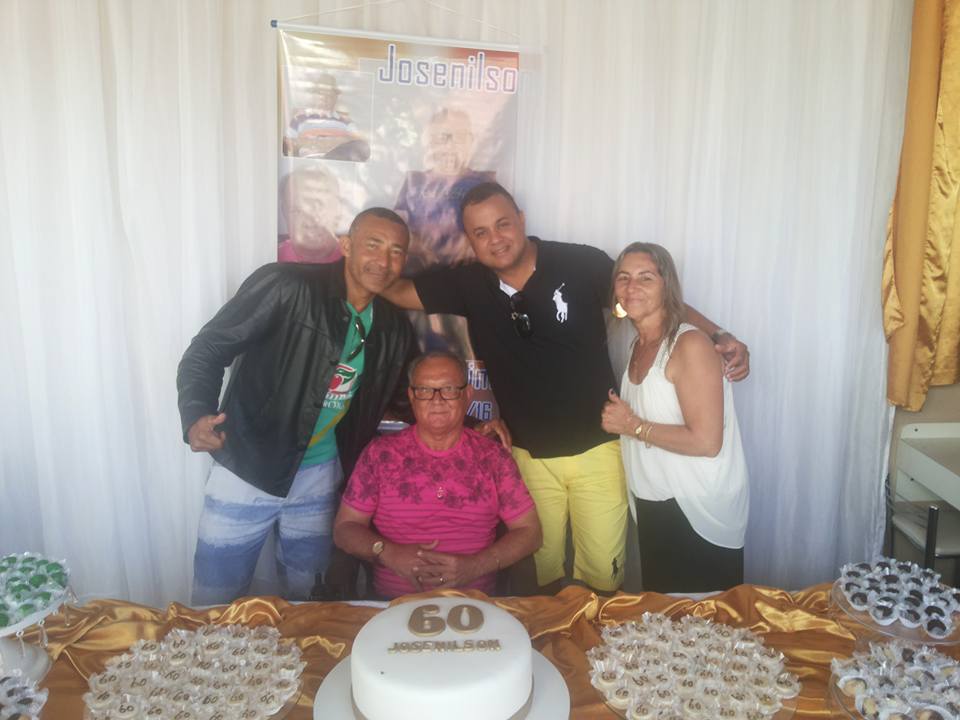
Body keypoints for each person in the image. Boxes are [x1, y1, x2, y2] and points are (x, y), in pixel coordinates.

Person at [381, 182, 750, 596]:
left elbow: (653, 301)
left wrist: (717, 334)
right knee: (537, 579)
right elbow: (396, 291)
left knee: (602, 581)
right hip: (528, 456)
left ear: (522, 220)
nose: (495, 238)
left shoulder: (580, 263)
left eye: (503, 224)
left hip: (600, 450)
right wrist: (362, 267)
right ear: (470, 240)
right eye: (480, 232)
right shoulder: (467, 283)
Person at [177, 208, 415, 605]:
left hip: (320, 478)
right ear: (346, 245)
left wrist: (476, 425)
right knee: (214, 602)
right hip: (247, 469)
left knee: (309, 601)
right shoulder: (287, 286)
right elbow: (209, 348)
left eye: (396, 251)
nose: (383, 260)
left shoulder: (393, 327)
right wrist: (196, 414)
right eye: (373, 245)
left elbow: (410, 399)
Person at [601, 243, 749, 592]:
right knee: (664, 618)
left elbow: (706, 442)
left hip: (696, 507)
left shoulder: (690, 345)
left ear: (667, 286)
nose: (632, 287)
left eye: (645, 278)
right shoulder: (638, 345)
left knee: (704, 620)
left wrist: (632, 426)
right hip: (656, 503)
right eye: (624, 278)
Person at [332, 351, 542, 598]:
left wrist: (475, 566)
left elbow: (530, 532)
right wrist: (388, 553)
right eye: (424, 390)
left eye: (449, 389)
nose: (437, 400)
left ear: (467, 395)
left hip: (475, 606)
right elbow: (345, 528)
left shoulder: (493, 457)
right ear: (412, 397)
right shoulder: (380, 454)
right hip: (393, 606)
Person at [283, 72, 370, 162]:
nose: (324, 97)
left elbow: (361, 143)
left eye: (329, 94)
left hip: (337, 164)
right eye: (320, 93)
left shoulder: (346, 122)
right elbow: (287, 144)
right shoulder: (298, 119)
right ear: (314, 95)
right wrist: (307, 143)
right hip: (308, 163)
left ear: (335, 98)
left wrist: (338, 142)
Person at [277, 164, 343, 264]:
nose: (310, 221)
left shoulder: (355, 260)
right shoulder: (272, 257)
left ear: (338, 209)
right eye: (297, 210)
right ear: (284, 212)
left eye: (318, 208)